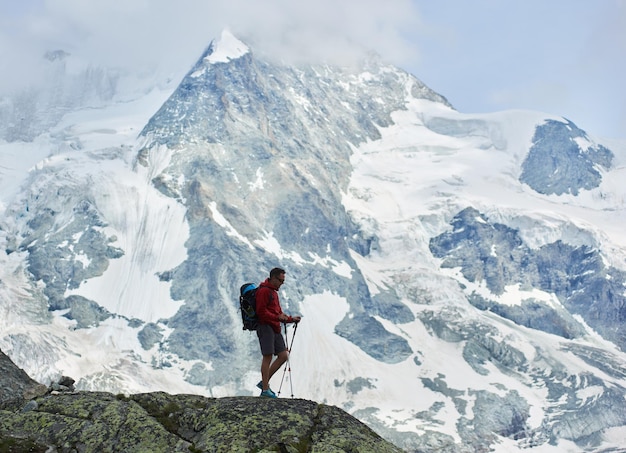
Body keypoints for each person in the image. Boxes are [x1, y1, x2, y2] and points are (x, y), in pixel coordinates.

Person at [255, 267, 301, 398]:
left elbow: (277, 313)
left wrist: (291, 319)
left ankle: (264, 382)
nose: (282, 283)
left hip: (274, 328)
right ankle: (265, 389)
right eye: (280, 280)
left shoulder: (273, 292)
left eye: (283, 280)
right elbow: (261, 312)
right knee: (267, 356)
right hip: (266, 327)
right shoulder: (264, 291)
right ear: (273, 278)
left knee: (283, 356)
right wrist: (278, 318)